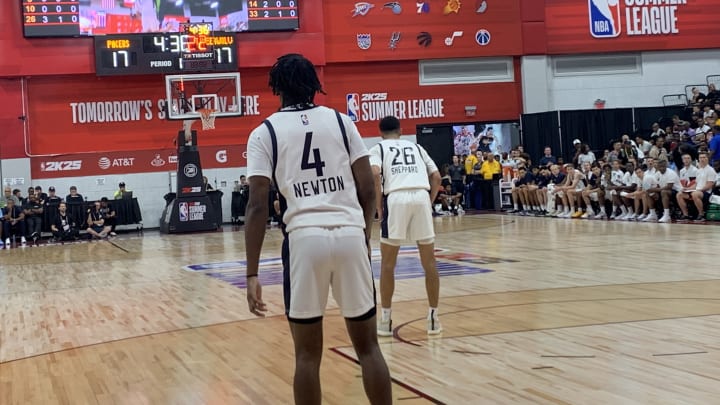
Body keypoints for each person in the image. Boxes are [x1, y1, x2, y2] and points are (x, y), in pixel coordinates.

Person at [244, 53, 391, 405]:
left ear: (276, 88)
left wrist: (251, 273)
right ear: (315, 84)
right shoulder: (341, 122)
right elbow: (369, 187)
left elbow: (257, 205)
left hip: (303, 240)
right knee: (369, 347)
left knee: (307, 356)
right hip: (349, 233)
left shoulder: (264, 132)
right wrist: (364, 232)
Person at [369, 115, 442, 337]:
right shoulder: (417, 147)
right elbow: (437, 177)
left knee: (388, 264)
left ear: (381, 132)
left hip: (396, 198)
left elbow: (374, 172)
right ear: (401, 130)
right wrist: (428, 201)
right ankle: (432, 319)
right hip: (420, 195)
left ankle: (385, 319)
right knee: (429, 262)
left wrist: (379, 205)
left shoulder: (378, 148)